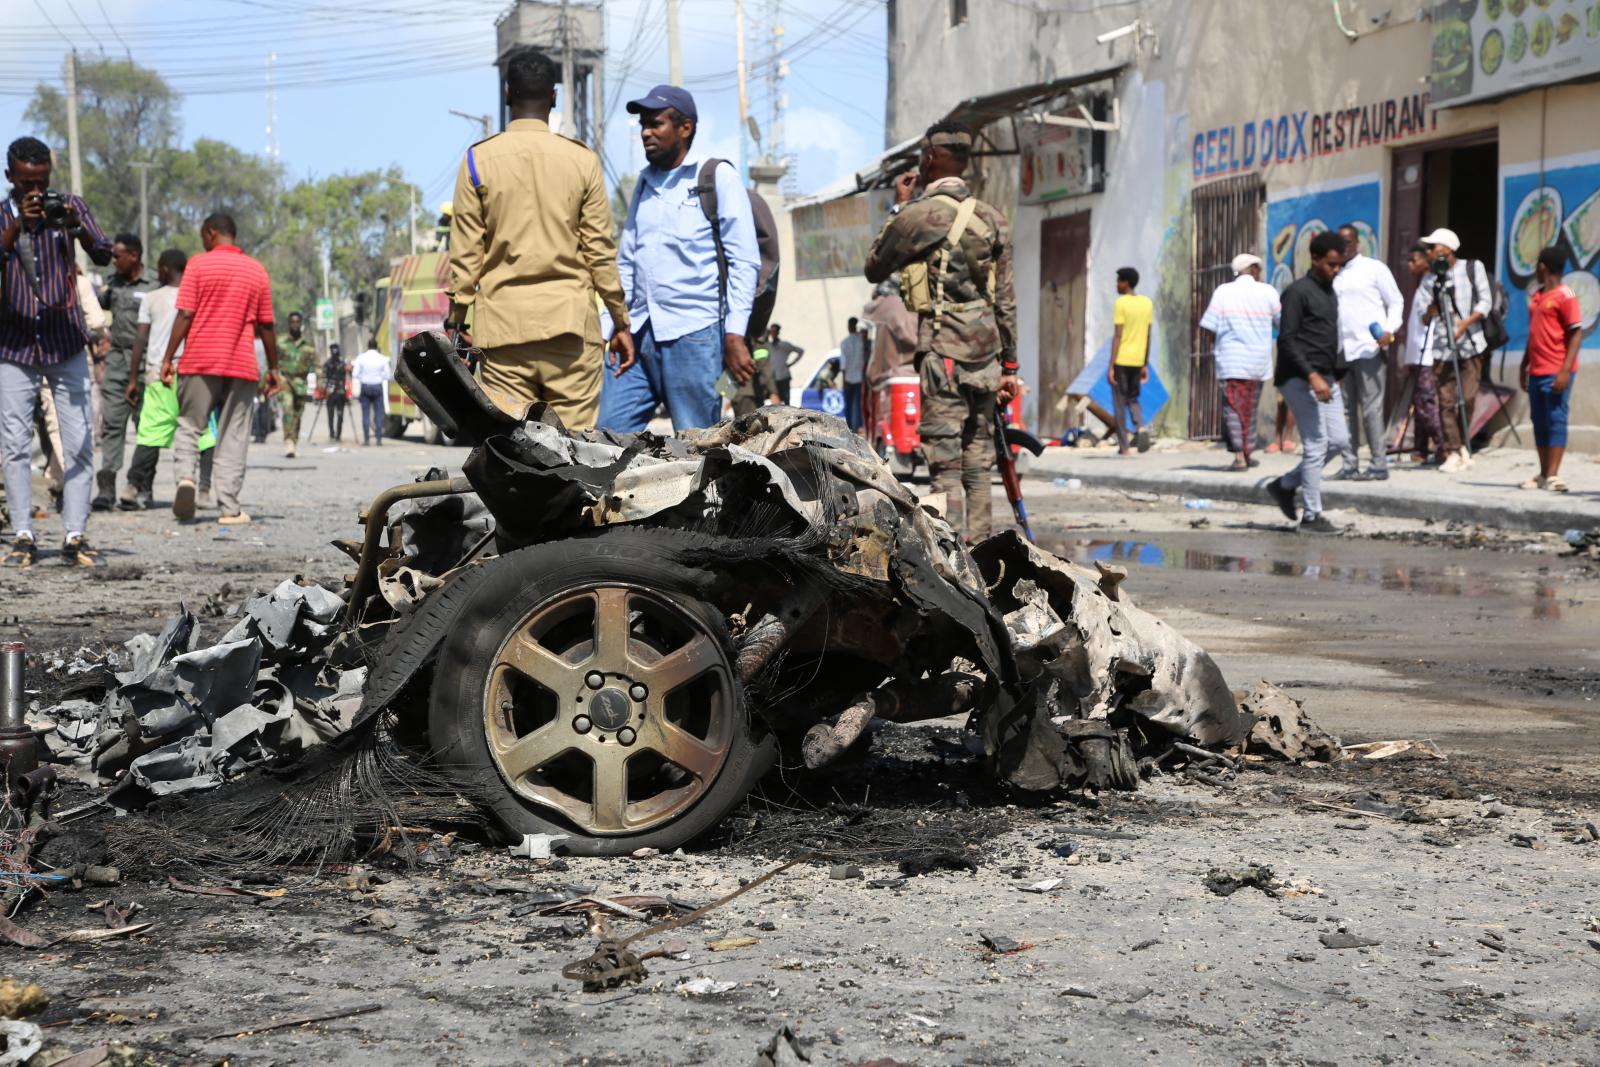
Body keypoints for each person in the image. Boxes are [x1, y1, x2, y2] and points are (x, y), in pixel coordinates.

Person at [445, 47, 629, 432]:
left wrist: (457, 322)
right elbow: (600, 252)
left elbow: (465, 255)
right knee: (577, 453)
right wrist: (620, 322)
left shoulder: (478, 160)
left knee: (512, 448)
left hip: (504, 333)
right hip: (571, 333)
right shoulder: (582, 161)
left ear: (508, 93)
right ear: (554, 96)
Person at [863, 120, 1019, 542]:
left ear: (929, 159)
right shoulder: (993, 219)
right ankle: (983, 548)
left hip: (943, 354)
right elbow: (1005, 299)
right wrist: (1010, 365)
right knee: (979, 459)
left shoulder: (918, 216)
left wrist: (900, 206)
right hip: (986, 357)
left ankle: (951, 559)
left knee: (945, 464)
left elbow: (874, 266)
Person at [602, 84, 760, 433]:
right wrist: (615, 324)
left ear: (684, 128)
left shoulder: (716, 177)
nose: (645, 132)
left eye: (655, 124)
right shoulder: (643, 184)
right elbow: (626, 261)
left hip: (695, 336)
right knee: (607, 438)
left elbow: (744, 262)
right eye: (643, 124)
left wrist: (734, 335)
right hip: (638, 335)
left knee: (695, 447)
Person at [0, 135, 112, 568]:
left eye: (42, 181)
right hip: (14, 344)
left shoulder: (69, 206)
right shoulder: (3, 216)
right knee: (14, 444)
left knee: (79, 439)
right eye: (27, 182)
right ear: (10, 176)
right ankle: (23, 534)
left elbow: (103, 254)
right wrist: (15, 230)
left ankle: (75, 534)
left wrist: (74, 224)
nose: (35, 191)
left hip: (65, 341)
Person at [159, 212, 279, 526]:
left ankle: (186, 478)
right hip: (241, 364)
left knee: (189, 425)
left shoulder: (198, 264)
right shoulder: (256, 270)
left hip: (200, 358)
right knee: (233, 436)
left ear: (211, 232)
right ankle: (229, 507)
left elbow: (185, 315)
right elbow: (266, 325)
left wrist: (168, 358)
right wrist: (274, 369)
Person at [1264, 230, 1349, 535]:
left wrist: (1335, 372)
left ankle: (1285, 485)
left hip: (1325, 378)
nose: (1335, 270)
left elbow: (1329, 336)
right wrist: (1312, 376)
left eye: (1340, 265)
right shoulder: (1297, 292)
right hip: (1299, 378)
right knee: (1315, 444)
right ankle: (1312, 516)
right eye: (1331, 264)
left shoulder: (1330, 292)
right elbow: (1286, 340)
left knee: (1339, 441)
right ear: (1314, 259)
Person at [124, 249, 215, 510]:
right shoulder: (200, 296)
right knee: (204, 434)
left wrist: (133, 377)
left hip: (158, 373)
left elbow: (141, 339)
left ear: (164, 269)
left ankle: (132, 487)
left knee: (151, 432)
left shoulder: (152, 298)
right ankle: (205, 490)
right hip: (194, 373)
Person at [1415, 227, 1492, 473]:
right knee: (1445, 402)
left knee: (1467, 398)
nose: (1429, 252)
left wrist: (1465, 323)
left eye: (1433, 247)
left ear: (1447, 249)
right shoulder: (1429, 280)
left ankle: (1464, 445)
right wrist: (1432, 307)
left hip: (1470, 343)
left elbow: (1485, 302)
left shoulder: (1472, 268)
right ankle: (1453, 449)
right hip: (1442, 348)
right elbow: (1423, 317)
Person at [1332, 223, 1403, 481]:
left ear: (1357, 243)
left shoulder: (1374, 268)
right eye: (1340, 243)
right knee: (1347, 410)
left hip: (1369, 348)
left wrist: (1388, 330)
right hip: (1342, 350)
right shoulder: (1334, 273)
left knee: (1371, 409)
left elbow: (1396, 301)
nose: (1344, 247)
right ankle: (1349, 465)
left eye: (1348, 242)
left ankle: (1378, 465)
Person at [93, 233, 158, 510]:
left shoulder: (156, 283)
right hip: (118, 361)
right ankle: (106, 488)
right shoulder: (112, 283)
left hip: (148, 362)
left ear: (134, 256)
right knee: (113, 425)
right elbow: (97, 307)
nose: (113, 261)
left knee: (148, 427)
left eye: (118, 256)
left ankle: (141, 486)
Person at [1199, 253, 1279, 470]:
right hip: (1258, 363)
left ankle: (1239, 457)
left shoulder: (1223, 292)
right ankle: (1247, 450)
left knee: (1233, 408)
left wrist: (1213, 350)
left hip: (1231, 361)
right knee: (1250, 409)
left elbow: (1209, 326)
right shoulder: (1268, 292)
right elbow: (1282, 322)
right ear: (1253, 270)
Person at [1518, 246, 1582, 493]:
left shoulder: (1566, 295)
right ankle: (1543, 473)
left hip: (1556, 369)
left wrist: (1565, 370)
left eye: (1537, 264)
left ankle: (1554, 475)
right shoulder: (1537, 296)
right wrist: (1525, 363)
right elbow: (1534, 333)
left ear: (1543, 266)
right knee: (1539, 421)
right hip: (1537, 369)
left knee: (1556, 419)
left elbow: (1575, 334)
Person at [1400, 243, 1445, 466]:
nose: (1409, 265)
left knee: (1427, 403)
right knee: (1418, 403)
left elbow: (1428, 320)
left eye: (1413, 260)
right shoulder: (1421, 287)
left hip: (1427, 353)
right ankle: (1420, 448)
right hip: (1416, 354)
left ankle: (1443, 445)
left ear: (1426, 261)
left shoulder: (1433, 284)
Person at [1108, 266, 1153, 455]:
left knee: (1119, 402)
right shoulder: (1147, 303)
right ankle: (1141, 427)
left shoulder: (1121, 303)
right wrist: (1145, 363)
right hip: (1137, 359)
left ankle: (1124, 447)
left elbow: (1118, 336)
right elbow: (1148, 335)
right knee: (1133, 398)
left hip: (1122, 359)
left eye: (1119, 281)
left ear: (1125, 283)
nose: (1117, 285)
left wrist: (1111, 365)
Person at [276, 311, 316, 457]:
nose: (295, 325)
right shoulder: (280, 342)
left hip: (300, 383)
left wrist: (321, 384)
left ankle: (294, 440)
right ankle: (288, 442)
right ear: (288, 324)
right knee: (288, 409)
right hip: (285, 380)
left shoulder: (308, 345)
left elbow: (317, 365)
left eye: (297, 322)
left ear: (301, 324)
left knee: (298, 414)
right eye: (292, 322)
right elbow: (272, 361)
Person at [352, 337, 391, 446]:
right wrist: (378, 376)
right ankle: (378, 440)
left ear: (367, 346)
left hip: (365, 387)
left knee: (366, 414)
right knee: (378, 414)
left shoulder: (361, 358)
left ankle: (366, 439)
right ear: (376, 346)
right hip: (377, 387)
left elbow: (355, 374)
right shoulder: (382, 358)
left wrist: (364, 376)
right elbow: (387, 375)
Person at [840, 316, 868, 432]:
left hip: (849, 378)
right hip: (860, 378)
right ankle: (858, 428)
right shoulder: (862, 341)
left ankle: (850, 428)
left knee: (849, 405)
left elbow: (843, 363)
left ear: (848, 327)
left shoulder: (845, 343)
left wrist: (843, 380)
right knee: (858, 405)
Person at [766, 323, 803, 406]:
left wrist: (791, 364)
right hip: (773, 377)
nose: (773, 333)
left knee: (786, 400)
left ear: (778, 332)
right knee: (775, 400)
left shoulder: (784, 345)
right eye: (771, 331)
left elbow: (800, 351)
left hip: (784, 376)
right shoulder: (768, 346)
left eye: (774, 331)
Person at [321, 342, 350, 443]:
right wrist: (324, 390)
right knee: (331, 415)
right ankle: (332, 434)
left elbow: (346, 377)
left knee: (340, 415)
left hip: (340, 393)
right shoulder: (327, 364)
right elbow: (324, 378)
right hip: (331, 393)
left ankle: (338, 434)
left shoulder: (342, 363)